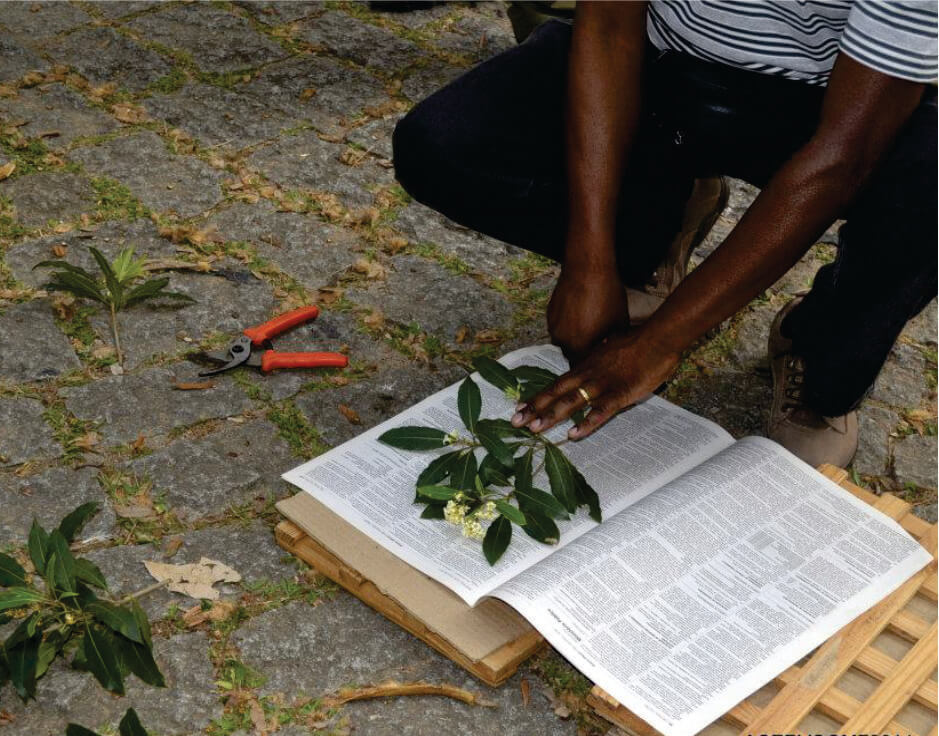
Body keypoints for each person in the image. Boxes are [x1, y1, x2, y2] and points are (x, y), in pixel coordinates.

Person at [392, 1, 937, 468]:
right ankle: (656, 233)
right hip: (665, 67)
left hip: (831, 100)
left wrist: (659, 344)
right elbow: (606, 29)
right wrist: (590, 264)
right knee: (443, 144)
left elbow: (844, 154)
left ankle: (821, 350)